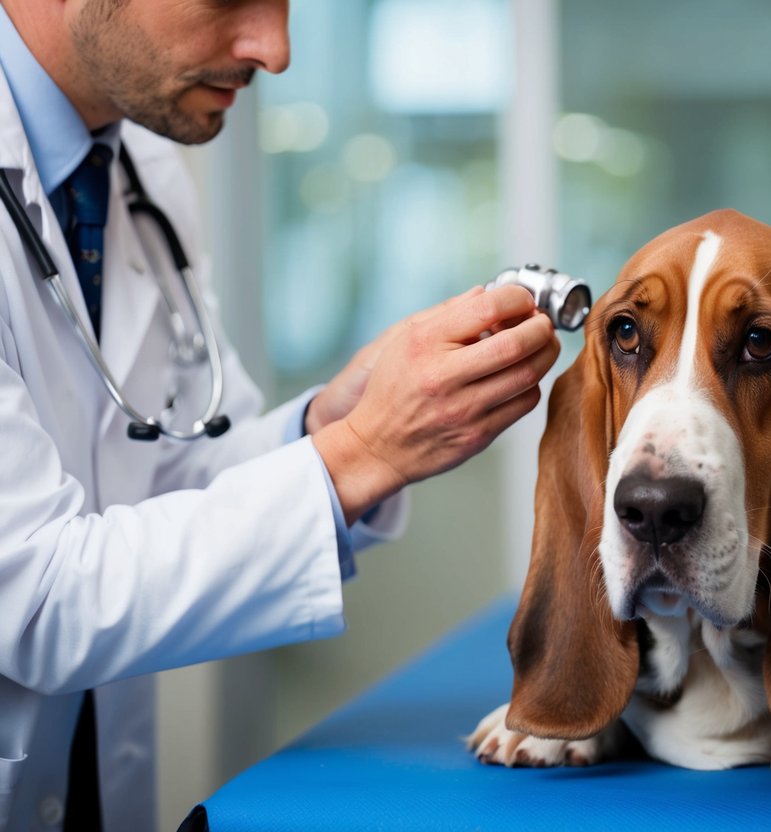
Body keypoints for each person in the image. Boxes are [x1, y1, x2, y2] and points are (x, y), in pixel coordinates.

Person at [0, 1, 561, 829]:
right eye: (231, 0)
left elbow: (168, 481)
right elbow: (36, 598)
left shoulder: (140, 169)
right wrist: (365, 452)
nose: (275, 49)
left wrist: (334, 423)